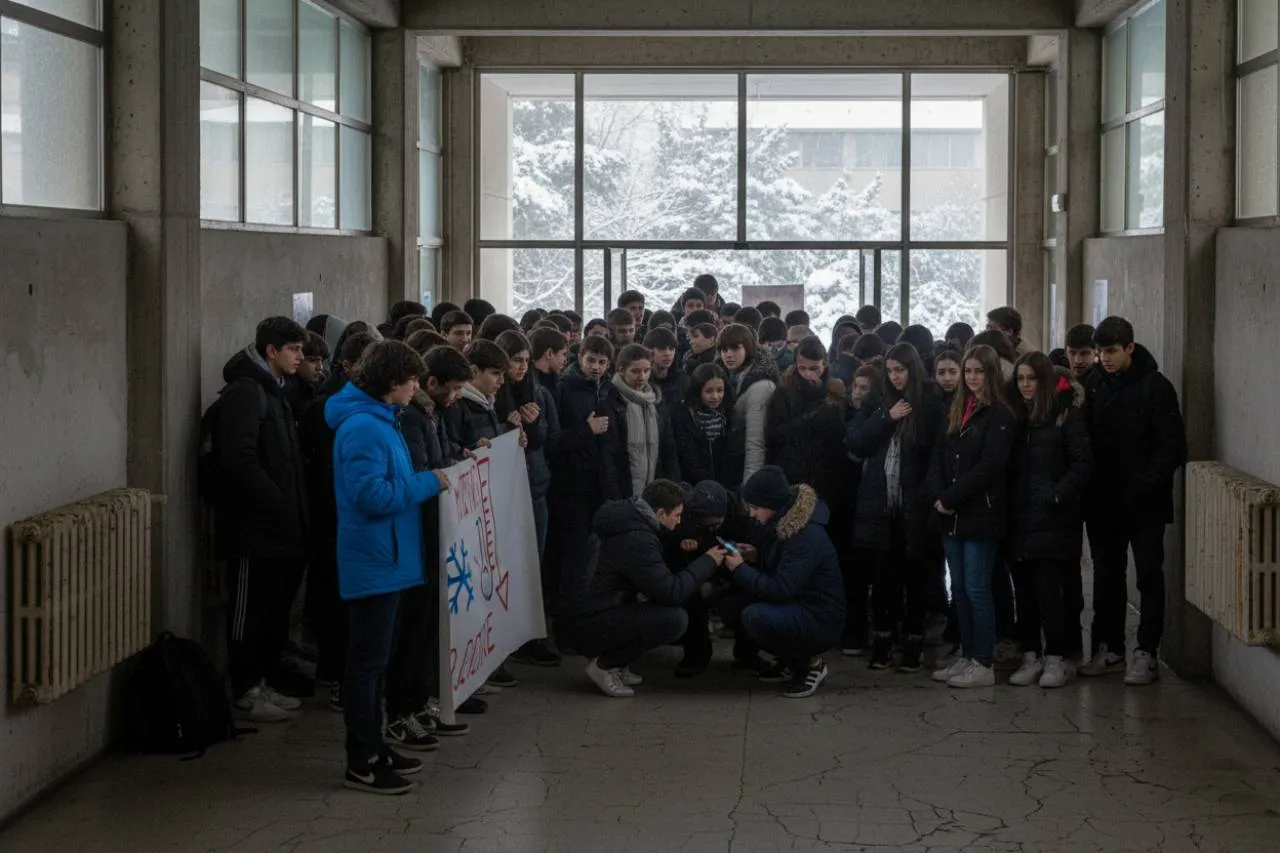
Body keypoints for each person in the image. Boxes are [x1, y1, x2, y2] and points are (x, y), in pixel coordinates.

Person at [325, 340, 449, 794]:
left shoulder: (383, 420)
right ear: (392, 382)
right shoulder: (363, 428)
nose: (417, 387)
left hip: (391, 557)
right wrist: (428, 482)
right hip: (374, 560)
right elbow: (372, 496)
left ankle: (376, 743)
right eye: (412, 380)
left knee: (380, 661)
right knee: (367, 665)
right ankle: (362, 757)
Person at [213, 317, 310, 723]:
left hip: (281, 527)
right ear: (271, 351)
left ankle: (264, 681)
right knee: (249, 612)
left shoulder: (276, 391)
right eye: (294, 350)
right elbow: (239, 461)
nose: (301, 358)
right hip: (254, 528)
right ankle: (246, 689)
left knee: (273, 612)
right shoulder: (246, 393)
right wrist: (278, 502)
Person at [1080, 317, 1187, 685]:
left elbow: (1172, 447)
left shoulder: (1155, 387)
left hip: (1144, 505)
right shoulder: (1094, 384)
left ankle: (1146, 652)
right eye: (1099, 352)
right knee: (1107, 578)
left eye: (1110, 351)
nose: (1104, 358)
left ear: (1129, 347)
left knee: (1148, 577)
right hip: (1103, 503)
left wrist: (1142, 485)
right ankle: (1109, 648)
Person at [555, 479, 727, 697]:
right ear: (661, 513)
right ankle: (605, 665)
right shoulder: (637, 540)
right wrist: (708, 561)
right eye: (677, 516)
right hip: (585, 623)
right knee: (674, 619)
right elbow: (671, 592)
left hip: (589, 611)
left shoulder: (629, 523)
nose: (679, 522)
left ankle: (619, 663)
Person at [384, 344, 472, 748]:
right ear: (429, 383)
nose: (456, 398)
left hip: (434, 534)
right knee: (411, 631)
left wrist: (460, 456)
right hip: (415, 536)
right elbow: (421, 472)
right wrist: (447, 470)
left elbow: (439, 458)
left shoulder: (432, 414)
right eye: (452, 389)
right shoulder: (410, 418)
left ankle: (418, 703)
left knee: (426, 629)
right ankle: (401, 709)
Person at [846, 343, 947, 673]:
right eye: (890, 371)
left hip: (914, 506)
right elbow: (856, 441)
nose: (895, 376)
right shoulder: (878, 400)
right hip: (880, 506)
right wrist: (886, 419)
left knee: (915, 576)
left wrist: (927, 496)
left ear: (912, 369)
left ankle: (914, 640)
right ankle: (883, 639)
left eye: (900, 370)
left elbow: (937, 456)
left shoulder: (929, 403)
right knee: (883, 577)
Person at [927, 344, 1018, 689]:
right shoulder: (958, 408)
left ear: (991, 373)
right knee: (961, 589)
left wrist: (950, 497)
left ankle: (983, 661)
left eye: (978, 371)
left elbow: (990, 467)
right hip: (950, 514)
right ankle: (967, 655)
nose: (972, 377)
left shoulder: (1000, 414)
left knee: (978, 587)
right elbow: (940, 454)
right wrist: (939, 495)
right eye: (969, 371)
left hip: (981, 513)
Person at [299, 330, 376, 712]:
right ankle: (336, 674)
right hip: (335, 516)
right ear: (347, 367)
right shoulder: (328, 408)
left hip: (352, 517)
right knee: (337, 599)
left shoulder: (368, 406)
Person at [1007, 352, 1092, 689]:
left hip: (1054, 518)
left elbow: (1083, 464)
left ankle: (1057, 655)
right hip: (1019, 518)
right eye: (1021, 379)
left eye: (1032, 378)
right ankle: (1031, 653)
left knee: (1051, 592)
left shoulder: (1065, 415)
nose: (1026, 385)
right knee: (1024, 592)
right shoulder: (1014, 416)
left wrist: (1057, 494)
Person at [723, 466, 846, 699]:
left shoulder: (805, 535)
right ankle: (789, 659)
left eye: (756, 508)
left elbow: (782, 589)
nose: (752, 514)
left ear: (772, 505)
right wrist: (756, 556)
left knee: (755, 616)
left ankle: (809, 664)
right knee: (733, 607)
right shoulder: (786, 524)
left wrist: (739, 568)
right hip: (802, 606)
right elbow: (785, 568)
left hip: (820, 618)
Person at [547, 335, 615, 612]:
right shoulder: (564, 388)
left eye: (602, 362)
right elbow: (554, 441)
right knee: (573, 549)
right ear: (580, 358)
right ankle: (567, 608)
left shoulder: (607, 389)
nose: (596, 367)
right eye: (591, 360)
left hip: (598, 479)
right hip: (571, 481)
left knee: (593, 548)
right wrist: (587, 430)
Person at [766, 336, 848, 510]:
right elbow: (775, 433)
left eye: (814, 368)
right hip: (793, 473)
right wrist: (810, 420)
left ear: (824, 365)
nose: (808, 374)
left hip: (826, 475)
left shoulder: (835, 392)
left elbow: (841, 435)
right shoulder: (784, 392)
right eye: (802, 368)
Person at [601, 344, 679, 499]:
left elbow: (669, 448)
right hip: (624, 490)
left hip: (655, 488)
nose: (642, 377)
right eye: (635, 371)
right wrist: (614, 496)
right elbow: (608, 457)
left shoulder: (656, 401)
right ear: (621, 370)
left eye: (646, 371)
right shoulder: (611, 402)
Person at [718, 323, 779, 482]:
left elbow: (756, 445)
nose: (729, 355)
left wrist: (749, 491)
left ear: (748, 348)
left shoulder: (761, 387)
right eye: (724, 350)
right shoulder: (733, 377)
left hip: (746, 474)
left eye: (735, 349)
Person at [672, 363, 740, 489]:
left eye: (720, 390)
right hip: (693, 487)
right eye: (709, 391)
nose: (715, 396)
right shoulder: (682, 416)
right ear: (698, 390)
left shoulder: (731, 417)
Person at [445, 340, 512, 451]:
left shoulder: (488, 401)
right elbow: (450, 450)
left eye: (503, 374)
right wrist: (474, 449)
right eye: (496, 373)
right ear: (474, 371)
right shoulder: (456, 406)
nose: (502, 381)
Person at [643, 327, 688, 408]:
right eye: (661, 349)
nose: (667, 353)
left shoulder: (683, 381)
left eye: (671, 349)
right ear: (649, 351)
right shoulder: (642, 381)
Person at [529, 326, 568, 401]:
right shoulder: (529, 384)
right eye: (563, 354)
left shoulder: (557, 381)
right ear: (549, 353)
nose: (565, 360)